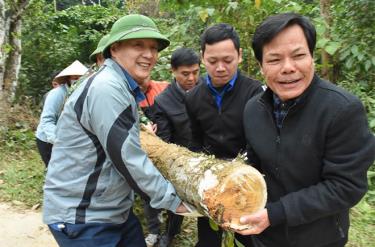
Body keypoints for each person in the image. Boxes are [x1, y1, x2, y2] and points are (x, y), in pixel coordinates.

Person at [42, 14, 187, 247]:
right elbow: (127, 157)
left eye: (153, 47)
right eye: (138, 44)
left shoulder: (117, 84)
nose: (149, 54)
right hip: (84, 217)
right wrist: (173, 200)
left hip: (112, 210)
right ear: (115, 48)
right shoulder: (107, 88)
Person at [236, 13, 375, 247]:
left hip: (321, 236)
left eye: (298, 55)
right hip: (266, 235)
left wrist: (277, 213)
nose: (288, 68)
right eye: (274, 59)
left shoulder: (342, 109)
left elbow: (346, 187)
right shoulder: (253, 109)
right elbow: (255, 160)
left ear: (312, 58)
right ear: (261, 66)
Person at [185, 23, 263, 247]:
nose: (220, 68)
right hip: (209, 182)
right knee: (209, 238)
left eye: (227, 60)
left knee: (245, 236)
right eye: (212, 61)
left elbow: (259, 142)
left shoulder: (255, 93)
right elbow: (196, 141)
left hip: (245, 181)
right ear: (202, 58)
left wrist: (236, 172)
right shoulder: (193, 98)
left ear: (239, 55)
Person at [153, 47, 201, 247]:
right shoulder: (163, 101)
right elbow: (165, 141)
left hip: (208, 156)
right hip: (180, 159)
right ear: (173, 71)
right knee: (177, 201)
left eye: (195, 72)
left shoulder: (206, 89)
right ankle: (170, 234)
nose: (191, 78)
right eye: (185, 74)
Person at [35, 60, 88, 167]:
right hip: (48, 140)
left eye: (81, 78)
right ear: (68, 79)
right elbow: (47, 120)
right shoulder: (57, 94)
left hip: (69, 141)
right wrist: (59, 141)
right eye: (75, 78)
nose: (78, 81)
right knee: (54, 171)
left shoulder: (83, 93)